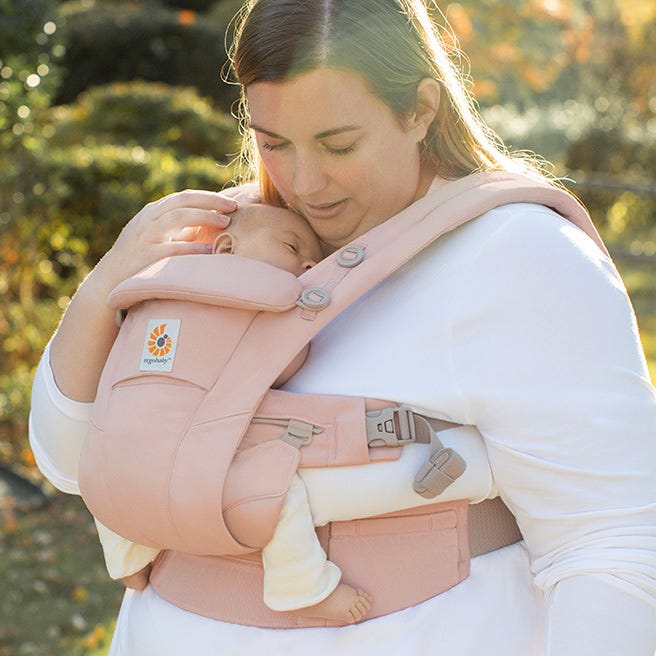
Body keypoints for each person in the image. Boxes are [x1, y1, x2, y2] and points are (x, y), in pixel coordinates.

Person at [28, 0, 656, 654]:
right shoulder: (220, 241)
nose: (305, 183)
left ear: (420, 110)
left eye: (338, 144)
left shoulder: (518, 254)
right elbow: (71, 462)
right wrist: (107, 287)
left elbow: (611, 543)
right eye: (274, 143)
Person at [92, 201, 374, 624]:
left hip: (116, 451)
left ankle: (129, 557)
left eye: (314, 260)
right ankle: (301, 586)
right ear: (225, 248)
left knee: (107, 480)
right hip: (194, 457)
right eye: (291, 245)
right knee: (279, 492)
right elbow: (283, 367)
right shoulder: (251, 296)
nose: (308, 263)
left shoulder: (155, 288)